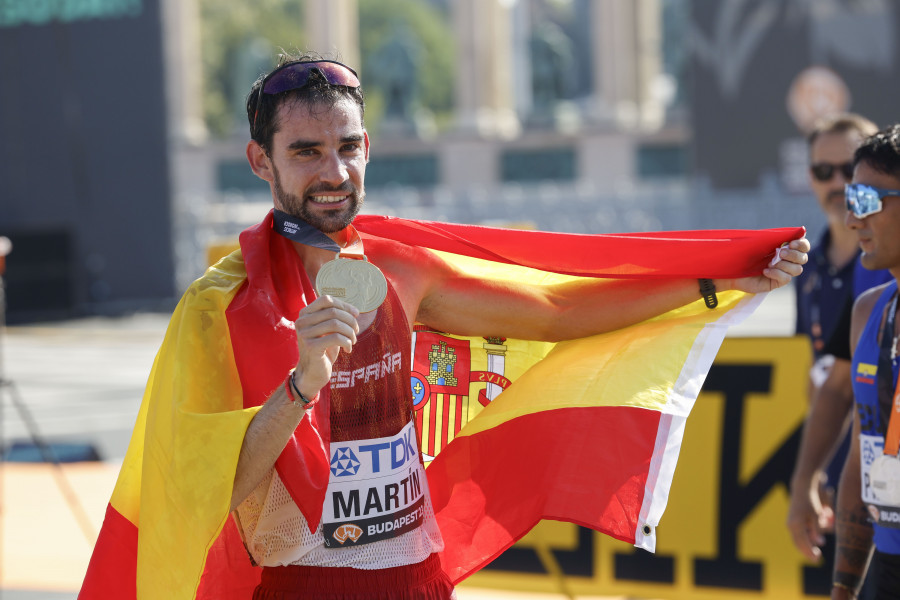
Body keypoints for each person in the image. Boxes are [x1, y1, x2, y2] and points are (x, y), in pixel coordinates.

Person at [80, 53, 809, 600]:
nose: (334, 170)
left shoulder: (404, 269)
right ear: (260, 161)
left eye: (349, 146)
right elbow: (216, 487)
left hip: (416, 577)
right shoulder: (219, 307)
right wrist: (303, 381)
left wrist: (712, 282)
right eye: (306, 151)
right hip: (304, 584)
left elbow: (557, 312)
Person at [788, 114, 889, 563]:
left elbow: (843, 382)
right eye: (822, 171)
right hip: (849, 478)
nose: (838, 183)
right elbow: (825, 377)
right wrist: (818, 473)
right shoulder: (804, 266)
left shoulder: (886, 269)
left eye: (850, 170)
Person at [832, 124, 900, 599]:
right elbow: (863, 454)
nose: (853, 219)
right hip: (887, 566)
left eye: (866, 199)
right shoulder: (868, 312)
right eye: (849, 200)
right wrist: (842, 590)